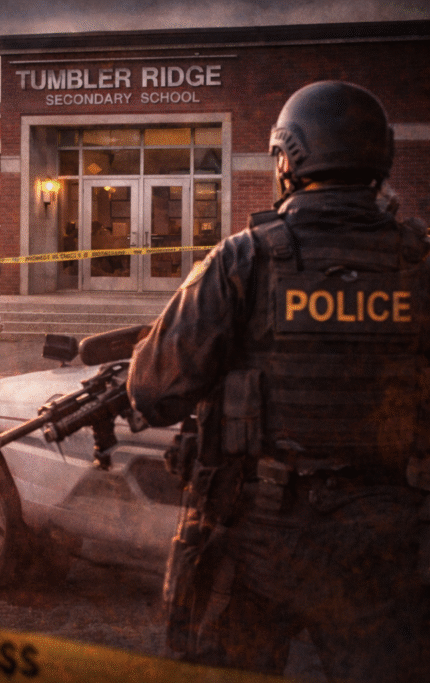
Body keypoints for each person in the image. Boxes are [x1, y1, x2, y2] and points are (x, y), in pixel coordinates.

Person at [126, 80, 430, 681]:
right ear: (381, 158)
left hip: (257, 536)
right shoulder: (418, 262)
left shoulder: (243, 258)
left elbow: (153, 393)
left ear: (288, 160)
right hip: (387, 538)